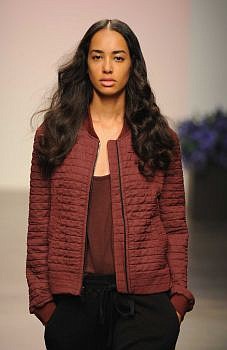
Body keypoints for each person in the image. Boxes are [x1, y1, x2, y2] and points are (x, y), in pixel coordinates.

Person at [26, 18, 195, 350]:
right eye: (97, 56)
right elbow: (39, 224)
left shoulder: (159, 139)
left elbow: (175, 225)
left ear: (133, 64)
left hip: (146, 304)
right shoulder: (55, 136)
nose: (107, 67)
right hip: (73, 304)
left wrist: (176, 302)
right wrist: (45, 304)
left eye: (118, 57)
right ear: (85, 64)